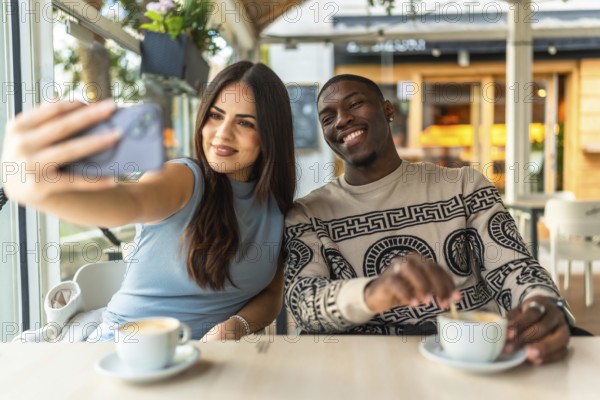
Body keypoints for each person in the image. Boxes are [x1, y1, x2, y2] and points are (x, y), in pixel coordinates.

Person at [283, 74, 571, 365]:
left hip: (467, 362)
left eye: (355, 104)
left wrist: (541, 302)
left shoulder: (464, 186)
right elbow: (302, 301)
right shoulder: (309, 213)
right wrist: (373, 292)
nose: (342, 120)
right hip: (363, 370)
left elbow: (514, 268)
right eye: (328, 118)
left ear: (388, 110)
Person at [2, 61, 296, 341]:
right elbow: (128, 202)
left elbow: (271, 295)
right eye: (216, 115)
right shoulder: (184, 177)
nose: (222, 133)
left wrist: (236, 325)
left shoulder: (277, 206)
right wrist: (41, 188)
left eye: (244, 122)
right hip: (124, 346)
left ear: (271, 135)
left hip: (202, 359)